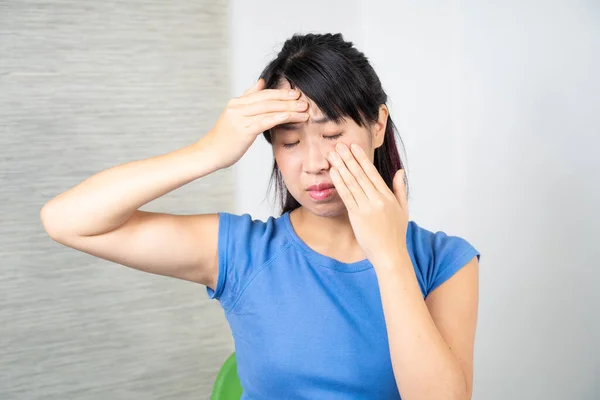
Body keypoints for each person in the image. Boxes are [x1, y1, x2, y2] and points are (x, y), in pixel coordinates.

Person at [41, 33, 480, 400]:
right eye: (289, 142)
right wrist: (209, 152)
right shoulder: (242, 252)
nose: (314, 163)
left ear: (377, 126)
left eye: (331, 134)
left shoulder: (445, 260)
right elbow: (67, 219)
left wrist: (389, 256)